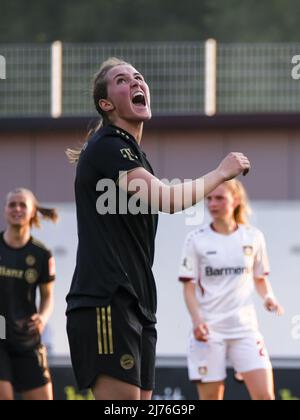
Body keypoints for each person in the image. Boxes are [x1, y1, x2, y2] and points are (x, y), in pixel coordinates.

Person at [66, 57, 251, 401]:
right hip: (105, 300)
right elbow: (166, 198)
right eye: (122, 80)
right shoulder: (109, 146)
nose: (136, 82)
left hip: (137, 302)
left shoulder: (133, 154)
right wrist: (220, 173)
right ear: (106, 104)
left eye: (138, 77)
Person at [179, 180, 284, 400]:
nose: (212, 204)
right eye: (209, 198)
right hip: (209, 331)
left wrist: (269, 298)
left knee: (266, 396)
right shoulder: (196, 240)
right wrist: (197, 320)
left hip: (244, 330)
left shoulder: (253, 237)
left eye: (220, 198)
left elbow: (260, 279)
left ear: (235, 201)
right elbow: (188, 287)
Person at [0, 188, 57, 400]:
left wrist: (42, 317)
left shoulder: (41, 254)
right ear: (5, 210)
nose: (17, 209)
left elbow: (48, 296)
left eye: (22, 204)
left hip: (26, 336)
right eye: (12, 204)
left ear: (33, 212)